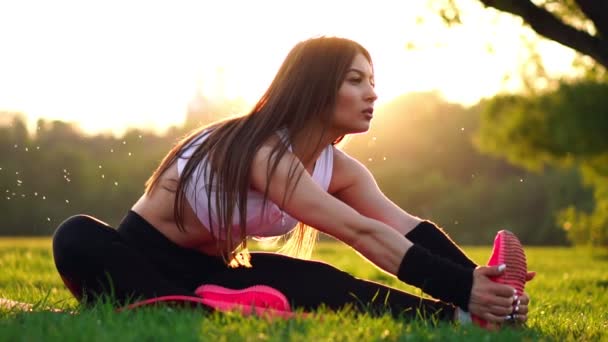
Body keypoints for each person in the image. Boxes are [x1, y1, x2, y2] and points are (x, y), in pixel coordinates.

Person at [52, 36, 532, 326]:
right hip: (137, 259)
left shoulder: (337, 168)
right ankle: (186, 304)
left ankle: (462, 320)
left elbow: (404, 228)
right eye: (355, 81)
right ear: (316, 87)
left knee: (321, 280)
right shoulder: (262, 150)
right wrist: (463, 283)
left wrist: (478, 285)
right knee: (75, 234)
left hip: (214, 272)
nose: (373, 93)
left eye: (372, 81)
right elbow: (361, 234)